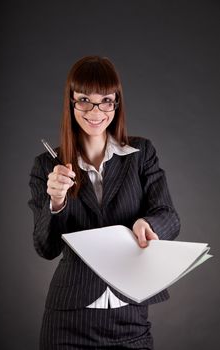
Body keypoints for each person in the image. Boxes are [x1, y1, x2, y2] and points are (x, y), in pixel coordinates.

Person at [28, 55, 180, 349]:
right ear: (71, 103)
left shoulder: (141, 153)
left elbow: (169, 216)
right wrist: (56, 201)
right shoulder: (46, 165)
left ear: (116, 103)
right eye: (84, 99)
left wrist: (146, 223)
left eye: (106, 100)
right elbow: (45, 248)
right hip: (68, 322)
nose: (95, 111)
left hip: (131, 318)